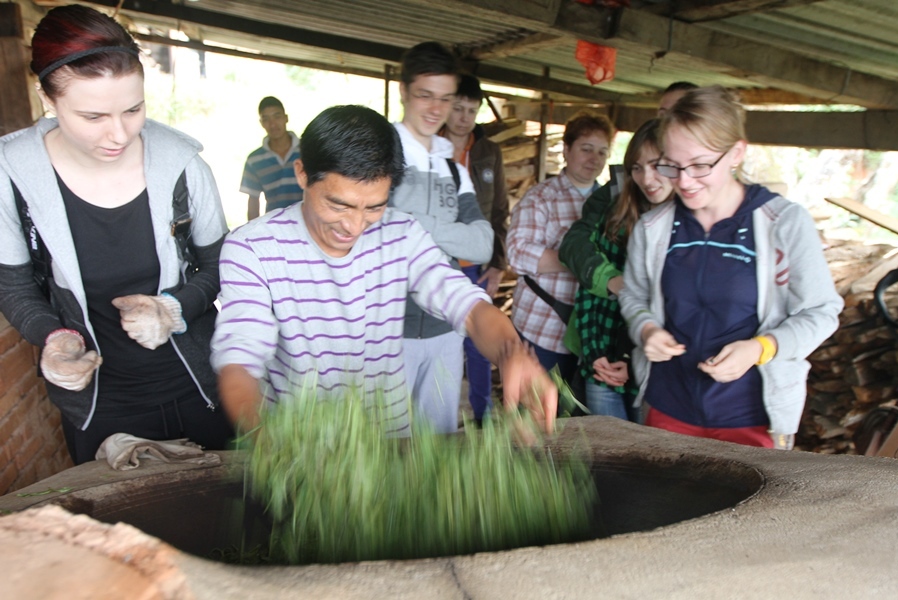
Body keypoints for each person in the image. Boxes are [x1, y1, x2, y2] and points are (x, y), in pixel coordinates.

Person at [211, 104, 556, 436]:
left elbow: (468, 307)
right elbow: (240, 359)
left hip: (389, 447)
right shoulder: (253, 248)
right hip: (298, 447)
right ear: (302, 174)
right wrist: (266, 439)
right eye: (338, 204)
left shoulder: (401, 234)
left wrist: (512, 354)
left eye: (374, 206)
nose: (354, 225)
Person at [0, 4, 233, 464]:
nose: (120, 133)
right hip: (100, 408)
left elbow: (220, 267)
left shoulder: (184, 167)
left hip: (200, 388)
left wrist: (173, 308)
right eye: (93, 117)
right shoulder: (12, 176)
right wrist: (53, 337)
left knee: (229, 525)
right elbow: (14, 286)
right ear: (48, 98)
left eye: (134, 109)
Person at [619, 86, 842, 449]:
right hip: (668, 408)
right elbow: (633, 295)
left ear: (737, 152)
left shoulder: (782, 223)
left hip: (750, 418)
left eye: (700, 165)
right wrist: (645, 329)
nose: (684, 181)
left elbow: (821, 312)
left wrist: (760, 349)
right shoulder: (654, 228)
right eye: (672, 166)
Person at [389, 43, 494, 433]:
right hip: (384, 330)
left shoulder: (454, 170)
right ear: (403, 91)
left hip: (444, 330)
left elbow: (483, 243)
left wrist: (411, 225)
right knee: (382, 449)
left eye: (446, 99)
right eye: (425, 96)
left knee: (439, 445)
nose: (436, 109)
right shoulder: (380, 154)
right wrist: (448, 235)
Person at [559, 119, 675, 421]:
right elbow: (585, 281)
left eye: (657, 165)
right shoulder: (616, 214)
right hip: (604, 357)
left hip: (650, 365)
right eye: (637, 167)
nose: (647, 178)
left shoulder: (689, 227)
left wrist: (630, 358)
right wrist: (598, 355)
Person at [506, 111, 614, 387]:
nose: (595, 159)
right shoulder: (541, 197)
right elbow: (517, 253)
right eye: (586, 149)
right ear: (566, 150)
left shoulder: (612, 204)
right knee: (532, 410)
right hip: (543, 324)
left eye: (602, 152)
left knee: (575, 419)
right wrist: (586, 263)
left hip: (590, 331)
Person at [440, 74, 509, 424]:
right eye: (458, 108)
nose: (464, 117)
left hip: (476, 265)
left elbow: (499, 211)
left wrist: (498, 264)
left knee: (479, 346)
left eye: (471, 110)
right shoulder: (427, 148)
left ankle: (483, 416)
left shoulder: (488, 152)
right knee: (443, 346)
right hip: (437, 264)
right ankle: (442, 421)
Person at [240, 96, 304, 221]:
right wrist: (253, 231)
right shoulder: (254, 160)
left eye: (277, 116)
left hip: (309, 225)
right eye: (266, 119)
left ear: (286, 118)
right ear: (261, 123)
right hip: (275, 227)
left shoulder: (308, 150)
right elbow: (253, 200)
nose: (273, 124)